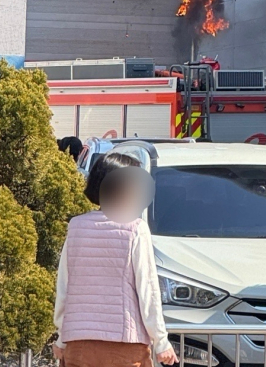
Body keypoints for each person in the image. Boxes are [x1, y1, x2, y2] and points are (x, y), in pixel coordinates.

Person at [53, 152, 177, 367]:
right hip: (124, 346)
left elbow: (64, 287)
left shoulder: (76, 226)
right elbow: (147, 290)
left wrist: (61, 339)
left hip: (78, 344)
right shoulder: (135, 228)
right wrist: (161, 342)